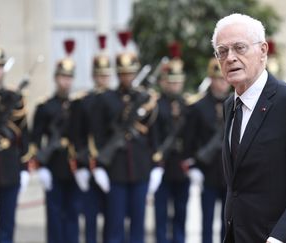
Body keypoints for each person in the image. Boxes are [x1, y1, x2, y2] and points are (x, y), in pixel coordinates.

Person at [212, 13, 286, 243]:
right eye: (222, 51)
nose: (230, 58)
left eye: (239, 47)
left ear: (263, 51)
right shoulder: (230, 105)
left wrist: (280, 237)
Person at [91, 31, 158, 243]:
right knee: (114, 226)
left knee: (138, 227)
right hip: (115, 170)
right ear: (117, 74)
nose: (127, 77)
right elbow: (98, 134)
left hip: (139, 169)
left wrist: (157, 165)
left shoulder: (144, 98)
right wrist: (99, 165)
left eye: (131, 73)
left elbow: (152, 133)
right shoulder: (107, 99)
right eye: (123, 73)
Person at [0, 23, 29, 243]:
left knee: (7, 227)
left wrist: (25, 167)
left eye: (0, 66)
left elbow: (24, 133)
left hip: (10, 169)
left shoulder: (14, 98)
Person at [30, 39, 80, 243]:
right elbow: (35, 139)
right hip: (52, 167)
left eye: (69, 77)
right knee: (54, 217)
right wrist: (40, 166)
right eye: (62, 77)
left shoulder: (79, 106)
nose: (65, 82)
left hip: (74, 168)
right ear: (55, 78)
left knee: (73, 216)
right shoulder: (45, 107)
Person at [69, 34, 111, 243]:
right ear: (93, 76)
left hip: (111, 169)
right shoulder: (82, 102)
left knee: (113, 222)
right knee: (90, 221)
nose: (102, 78)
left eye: (106, 75)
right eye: (99, 74)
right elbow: (76, 136)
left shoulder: (115, 100)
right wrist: (82, 167)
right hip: (89, 166)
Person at [149, 42, 193, 243]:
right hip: (163, 165)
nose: (174, 86)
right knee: (160, 214)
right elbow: (153, 134)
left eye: (177, 82)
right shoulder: (157, 105)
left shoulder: (188, 105)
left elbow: (193, 136)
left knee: (181, 212)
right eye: (170, 82)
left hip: (181, 166)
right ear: (164, 82)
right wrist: (155, 164)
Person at [184, 58, 230, 243]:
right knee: (207, 222)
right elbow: (190, 139)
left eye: (225, 79)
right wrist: (193, 166)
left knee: (228, 223)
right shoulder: (198, 106)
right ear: (211, 80)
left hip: (229, 174)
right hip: (207, 172)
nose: (223, 83)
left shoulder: (236, 103)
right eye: (219, 79)